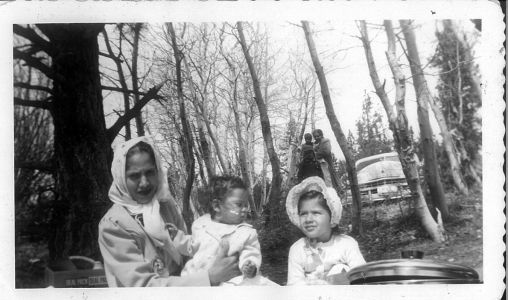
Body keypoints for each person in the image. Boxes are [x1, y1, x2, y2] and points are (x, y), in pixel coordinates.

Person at [98, 136, 240, 287]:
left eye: (150, 172)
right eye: (134, 175)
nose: (144, 182)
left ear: (158, 171)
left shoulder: (164, 205)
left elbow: (187, 252)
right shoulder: (114, 225)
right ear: (121, 178)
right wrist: (209, 277)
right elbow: (143, 287)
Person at [167, 176, 277, 286]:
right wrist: (177, 237)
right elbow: (191, 246)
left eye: (246, 205)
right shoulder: (201, 224)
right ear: (217, 206)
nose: (245, 209)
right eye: (239, 205)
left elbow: (251, 251)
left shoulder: (245, 232)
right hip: (198, 279)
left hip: (229, 283)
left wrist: (249, 265)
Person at [286, 176, 365, 285]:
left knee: (340, 268)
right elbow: (294, 287)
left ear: (331, 216)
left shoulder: (346, 244)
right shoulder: (297, 249)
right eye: (303, 214)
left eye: (316, 213)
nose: (308, 219)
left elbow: (362, 277)